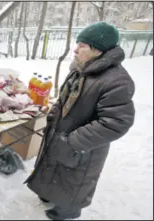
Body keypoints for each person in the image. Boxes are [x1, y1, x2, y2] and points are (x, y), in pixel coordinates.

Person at [24, 22, 135, 220]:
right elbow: (64, 97)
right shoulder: (80, 69)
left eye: (82, 45)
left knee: (73, 181)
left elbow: (116, 122)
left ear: (98, 50)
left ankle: (66, 212)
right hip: (61, 135)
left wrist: (74, 140)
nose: (75, 49)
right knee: (54, 168)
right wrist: (53, 116)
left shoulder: (117, 81)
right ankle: (48, 194)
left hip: (83, 147)